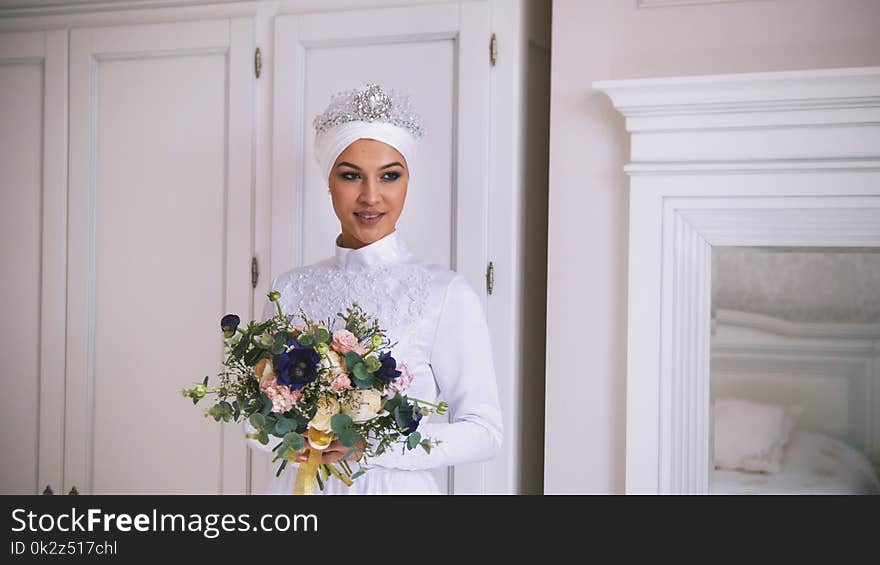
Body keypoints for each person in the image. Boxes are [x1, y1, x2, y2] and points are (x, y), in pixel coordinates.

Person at [243, 83, 503, 494]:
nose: (371, 196)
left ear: (407, 182)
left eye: (389, 176)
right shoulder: (289, 289)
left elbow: (484, 431)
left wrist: (369, 445)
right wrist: (298, 433)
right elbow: (253, 421)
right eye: (351, 176)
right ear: (329, 181)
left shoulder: (444, 292)